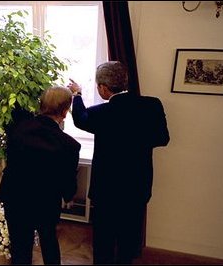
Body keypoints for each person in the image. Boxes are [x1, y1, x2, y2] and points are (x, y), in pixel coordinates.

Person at [67, 61, 170, 264]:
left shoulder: (100, 113)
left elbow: (80, 119)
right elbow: (163, 138)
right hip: (138, 186)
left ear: (103, 88)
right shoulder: (153, 105)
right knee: (129, 237)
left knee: (104, 239)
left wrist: (77, 95)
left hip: (107, 189)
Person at [0, 86, 81, 265]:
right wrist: (69, 195)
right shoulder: (70, 145)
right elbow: (68, 181)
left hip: (15, 198)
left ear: (41, 105)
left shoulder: (16, 129)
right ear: (65, 113)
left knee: (20, 248)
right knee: (49, 240)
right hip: (46, 203)